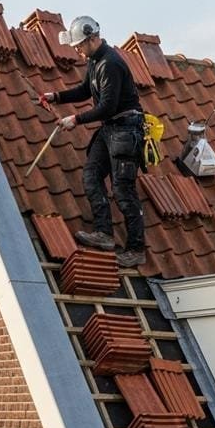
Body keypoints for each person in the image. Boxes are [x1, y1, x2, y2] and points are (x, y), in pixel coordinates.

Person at [40, 15, 146, 268]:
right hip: (110, 129)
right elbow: (86, 90)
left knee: (123, 190)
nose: (76, 50)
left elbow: (107, 106)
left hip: (125, 129)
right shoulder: (95, 61)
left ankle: (136, 249)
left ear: (92, 39)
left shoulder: (111, 63)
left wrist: (75, 119)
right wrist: (56, 97)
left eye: (79, 45)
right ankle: (104, 233)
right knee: (91, 175)